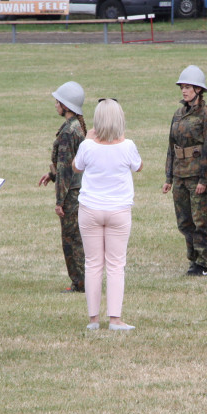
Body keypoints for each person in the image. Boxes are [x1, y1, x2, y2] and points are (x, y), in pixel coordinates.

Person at [73, 99, 143, 330]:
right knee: (115, 265)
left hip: (90, 209)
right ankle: (115, 319)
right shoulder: (127, 145)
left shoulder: (88, 146)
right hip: (119, 211)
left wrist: (87, 140)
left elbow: (77, 166)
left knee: (93, 263)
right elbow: (138, 166)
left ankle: (93, 319)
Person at [163, 65, 207, 276]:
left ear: (198, 90)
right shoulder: (178, 114)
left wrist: (205, 180)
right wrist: (168, 176)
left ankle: (204, 263)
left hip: (197, 176)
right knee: (184, 221)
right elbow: (171, 147)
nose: (184, 91)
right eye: (182, 87)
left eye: (187, 87)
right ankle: (193, 260)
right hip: (179, 175)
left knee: (200, 221)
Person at [38, 82, 86, 293]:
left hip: (71, 194)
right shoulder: (77, 126)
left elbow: (67, 169)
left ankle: (80, 283)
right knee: (78, 238)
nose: (55, 105)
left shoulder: (68, 132)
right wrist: (51, 174)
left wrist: (59, 201)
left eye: (58, 102)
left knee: (71, 241)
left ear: (66, 106)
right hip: (78, 190)